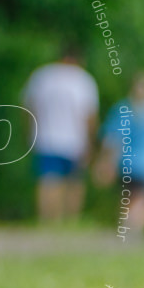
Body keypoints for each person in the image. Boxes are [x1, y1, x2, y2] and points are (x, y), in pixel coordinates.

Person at [94, 71, 144, 238]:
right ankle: (133, 225)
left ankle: (128, 231)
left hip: (126, 163)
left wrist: (106, 162)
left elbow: (112, 139)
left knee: (129, 199)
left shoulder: (122, 108)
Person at [21, 51, 99, 223]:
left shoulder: (42, 76)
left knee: (48, 180)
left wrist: (29, 131)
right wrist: (91, 141)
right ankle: (71, 220)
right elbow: (89, 115)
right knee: (74, 182)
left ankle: (48, 220)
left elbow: (28, 107)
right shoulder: (83, 80)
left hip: (45, 137)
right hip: (75, 139)